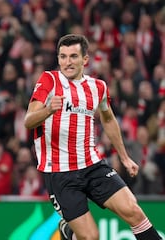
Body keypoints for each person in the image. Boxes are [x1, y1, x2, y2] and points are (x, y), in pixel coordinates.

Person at [24, 34, 162, 240]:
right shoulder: (49, 80)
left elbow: (108, 118)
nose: (67, 62)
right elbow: (29, 121)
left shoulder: (98, 87)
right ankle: (68, 231)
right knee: (91, 237)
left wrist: (124, 157)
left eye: (73, 56)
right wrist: (48, 110)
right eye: (62, 57)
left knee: (134, 211)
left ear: (85, 60)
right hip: (60, 173)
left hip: (93, 165)